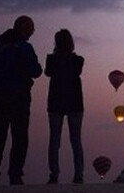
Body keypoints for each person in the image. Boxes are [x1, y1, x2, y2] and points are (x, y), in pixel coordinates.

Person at [0, 15, 42, 186]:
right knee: (19, 137)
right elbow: (36, 71)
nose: (33, 32)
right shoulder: (24, 47)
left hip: (0, 95)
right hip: (19, 96)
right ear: (23, 28)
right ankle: (15, 175)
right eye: (31, 28)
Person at [45, 29, 84, 184]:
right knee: (76, 140)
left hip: (55, 102)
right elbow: (76, 72)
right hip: (75, 103)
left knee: (55, 140)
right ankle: (79, 174)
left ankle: (54, 174)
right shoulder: (78, 60)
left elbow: (48, 73)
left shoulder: (51, 59)